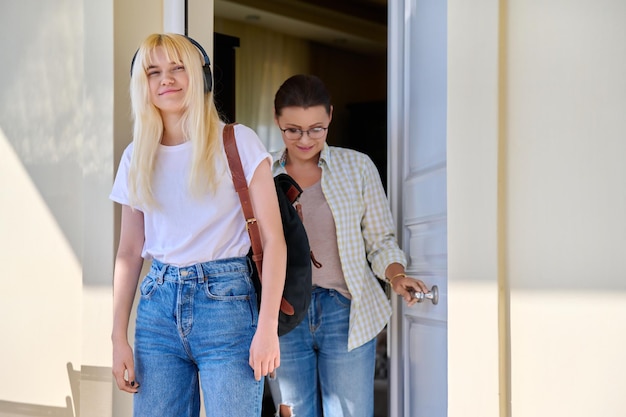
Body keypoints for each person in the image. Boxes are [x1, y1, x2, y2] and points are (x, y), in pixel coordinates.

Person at [110, 33, 286, 417]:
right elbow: (128, 253)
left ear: (200, 77)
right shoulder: (135, 156)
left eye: (177, 68)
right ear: (144, 85)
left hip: (227, 307)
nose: (165, 79)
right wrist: (117, 337)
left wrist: (268, 326)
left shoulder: (238, 141)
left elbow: (274, 242)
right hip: (157, 309)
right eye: (153, 72)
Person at [268, 74, 430, 417]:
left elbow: (380, 239)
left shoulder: (356, 167)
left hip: (345, 311)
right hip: (282, 313)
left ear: (329, 116)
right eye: (293, 129)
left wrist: (396, 276)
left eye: (316, 128)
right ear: (277, 120)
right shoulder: (263, 173)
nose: (305, 139)